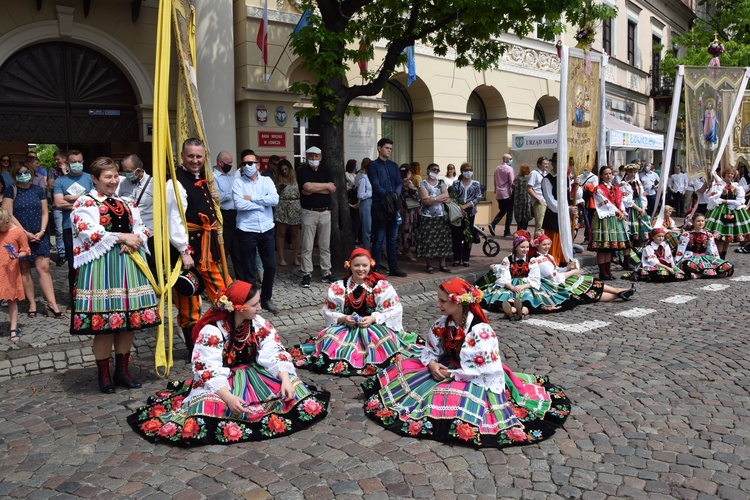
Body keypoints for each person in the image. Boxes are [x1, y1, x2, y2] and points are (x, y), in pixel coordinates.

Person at [361, 278, 571, 448]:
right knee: (405, 368)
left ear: (458, 301)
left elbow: (481, 369)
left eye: (443, 301)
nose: (439, 305)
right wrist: (433, 364)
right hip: (451, 367)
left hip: (476, 375)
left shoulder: (480, 331)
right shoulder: (443, 324)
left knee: (450, 400)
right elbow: (430, 350)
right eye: (439, 300)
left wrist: (452, 374)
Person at [127, 280, 330, 446]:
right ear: (239, 308)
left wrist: (284, 378)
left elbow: (274, 351)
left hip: (253, 374)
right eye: (255, 304)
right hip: (224, 380)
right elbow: (207, 370)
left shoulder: (258, 324)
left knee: (296, 390)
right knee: (207, 410)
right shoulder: (213, 332)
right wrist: (228, 397)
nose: (260, 308)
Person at [70, 156, 161, 393]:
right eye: (107, 177)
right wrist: (123, 237)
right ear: (95, 179)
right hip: (101, 267)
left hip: (128, 264)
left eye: (115, 176)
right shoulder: (85, 203)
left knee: (128, 321)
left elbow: (142, 226)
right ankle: (103, 375)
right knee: (105, 324)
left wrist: (137, 238)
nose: (112, 181)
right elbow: (88, 232)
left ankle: (122, 371)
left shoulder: (127, 203)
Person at [291, 248, 421, 376]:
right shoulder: (339, 287)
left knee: (385, 343)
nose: (361, 269)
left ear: (371, 264)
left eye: (365, 265)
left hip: (373, 328)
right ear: (349, 265)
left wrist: (373, 318)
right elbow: (329, 311)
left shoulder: (380, 286)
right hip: (346, 328)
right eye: (356, 265)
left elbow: (394, 309)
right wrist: (344, 318)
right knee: (329, 338)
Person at [167, 138, 231, 354]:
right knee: (188, 298)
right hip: (188, 251)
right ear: (183, 157)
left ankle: (224, 336)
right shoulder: (175, 182)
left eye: (199, 156)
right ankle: (193, 347)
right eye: (191, 156)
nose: (195, 160)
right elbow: (174, 220)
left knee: (223, 292)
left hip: (208, 249)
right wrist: (184, 252)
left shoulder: (205, 179)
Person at [3, 162, 64, 319]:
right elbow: (8, 215)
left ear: (30, 173)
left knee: (44, 268)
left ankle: (52, 303)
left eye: (25, 172)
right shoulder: (11, 190)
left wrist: (42, 231)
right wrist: (25, 233)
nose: (23, 175)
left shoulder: (38, 190)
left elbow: (45, 212)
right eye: (19, 173)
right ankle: (32, 303)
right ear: (14, 175)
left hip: (40, 234)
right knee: (24, 269)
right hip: (21, 235)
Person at [476, 232, 571, 320]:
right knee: (503, 296)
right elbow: (503, 277)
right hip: (511, 283)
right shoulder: (508, 259)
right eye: (522, 247)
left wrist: (523, 286)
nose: (525, 250)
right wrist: (512, 287)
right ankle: (513, 310)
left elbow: (535, 278)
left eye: (527, 247)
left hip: (527, 284)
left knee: (528, 297)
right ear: (516, 247)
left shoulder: (532, 260)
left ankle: (521, 311)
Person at [232, 149, 280, 314]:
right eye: (244, 163)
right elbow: (239, 205)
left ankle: (266, 298)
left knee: (271, 266)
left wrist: (252, 198)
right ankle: (253, 299)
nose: (247, 166)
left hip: (266, 228)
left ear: (258, 165)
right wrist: (262, 202)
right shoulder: (238, 183)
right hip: (247, 229)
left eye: (250, 163)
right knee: (248, 267)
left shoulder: (266, 181)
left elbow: (274, 200)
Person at [534, 234, 635, 304]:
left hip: (562, 280)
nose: (547, 247)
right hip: (556, 286)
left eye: (548, 244)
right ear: (537, 247)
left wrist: (567, 268)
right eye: (544, 245)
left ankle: (619, 291)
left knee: (591, 283)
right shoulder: (539, 261)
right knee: (589, 292)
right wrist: (572, 272)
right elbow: (554, 278)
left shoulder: (549, 257)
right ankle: (619, 293)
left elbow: (556, 270)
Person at [54, 149, 94, 302]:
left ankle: (91, 296)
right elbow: (58, 203)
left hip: (89, 227)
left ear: (83, 162)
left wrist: (72, 198)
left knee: (90, 262)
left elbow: (95, 201)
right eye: (73, 162)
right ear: (67, 163)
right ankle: (74, 298)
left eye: (79, 161)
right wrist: (84, 201)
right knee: (73, 265)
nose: (77, 164)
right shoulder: (60, 181)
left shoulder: (90, 178)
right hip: (69, 228)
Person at [297, 146, 337, 287]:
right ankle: (306, 274)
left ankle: (326, 272)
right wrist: (324, 187)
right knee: (307, 245)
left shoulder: (326, 171)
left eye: (316, 156)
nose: (314, 159)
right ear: (307, 158)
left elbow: (332, 189)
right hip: (309, 212)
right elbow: (307, 188)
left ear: (320, 157)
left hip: (325, 212)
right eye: (311, 156)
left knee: (325, 245)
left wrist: (315, 188)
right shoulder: (302, 171)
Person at [369, 139, 408, 277]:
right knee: (379, 238)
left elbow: (399, 182)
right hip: (380, 206)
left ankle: (393, 267)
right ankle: (375, 268)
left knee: (392, 238)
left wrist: (395, 196)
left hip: (393, 206)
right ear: (379, 148)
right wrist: (388, 196)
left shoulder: (394, 165)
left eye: (391, 148)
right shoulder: (373, 166)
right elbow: (375, 184)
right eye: (386, 148)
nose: (389, 150)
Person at [588, 166, 630, 280]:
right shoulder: (599, 189)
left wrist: (622, 211)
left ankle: (608, 270)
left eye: (610, 173)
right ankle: (602, 271)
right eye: (605, 174)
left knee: (610, 247)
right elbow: (606, 203)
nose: (608, 176)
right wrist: (617, 211)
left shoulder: (615, 188)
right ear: (601, 176)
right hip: (604, 218)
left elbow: (620, 201)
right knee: (603, 246)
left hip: (614, 218)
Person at [704, 167, 750, 258]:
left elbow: (741, 198)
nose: (730, 175)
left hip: (733, 211)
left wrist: (736, 203)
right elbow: (713, 199)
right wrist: (728, 201)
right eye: (728, 173)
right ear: (724, 174)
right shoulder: (718, 185)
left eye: (732, 174)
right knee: (720, 236)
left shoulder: (736, 185)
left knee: (728, 235)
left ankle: (723, 256)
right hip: (720, 210)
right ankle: (718, 257)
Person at [213, 151, 245, 280]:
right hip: (223, 215)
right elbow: (217, 197)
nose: (231, 165)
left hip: (235, 215)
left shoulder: (231, 177)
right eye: (229, 163)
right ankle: (221, 280)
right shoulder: (213, 177)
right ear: (220, 163)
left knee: (237, 250)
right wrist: (231, 193)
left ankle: (241, 280)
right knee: (223, 249)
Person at [0, 208, 30, 341]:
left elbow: (25, 250)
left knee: (12, 299)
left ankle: (13, 328)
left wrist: (17, 255)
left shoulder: (18, 232)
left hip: (10, 270)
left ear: (7, 222)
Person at [540, 157, 577, 266]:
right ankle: (553, 264)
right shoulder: (547, 180)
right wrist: (567, 209)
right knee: (554, 242)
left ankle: (564, 261)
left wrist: (576, 187)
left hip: (566, 216)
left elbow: (571, 196)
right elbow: (551, 201)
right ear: (554, 164)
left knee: (565, 240)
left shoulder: (567, 179)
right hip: (554, 216)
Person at [417, 163, 453, 274]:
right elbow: (426, 201)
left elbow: (447, 197)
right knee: (428, 240)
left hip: (441, 215)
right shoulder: (422, 183)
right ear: (428, 170)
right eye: (433, 169)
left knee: (442, 240)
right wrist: (440, 198)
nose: (436, 171)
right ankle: (429, 265)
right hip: (427, 216)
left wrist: (434, 198)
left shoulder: (442, 182)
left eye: (438, 170)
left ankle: (442, 265)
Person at [675, 213, 733, 278]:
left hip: (705, 258)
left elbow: (713, 249)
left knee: (727, 265)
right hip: (691, 258)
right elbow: (680, 250)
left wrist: (717, 261)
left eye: (702, 221)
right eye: (698, 221)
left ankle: (699, 275)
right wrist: (677, 262)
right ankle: (714, 275)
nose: (701, 223)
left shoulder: (708, 235)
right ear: (693, 222)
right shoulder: (686, 235)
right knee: (687, 264)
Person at [449, 162, 482, 267]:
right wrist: (459, 208)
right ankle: (457, 258)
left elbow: (478, 197)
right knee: (456, 235)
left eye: (470, 170)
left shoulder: (476, 184)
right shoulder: (456, 183)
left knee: (468, 235)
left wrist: (467, 205)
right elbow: (452, 197)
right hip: (457, 213)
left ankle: (466, 258)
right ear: (462, 171)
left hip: (470, 212)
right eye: (466, 170)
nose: (468, 172)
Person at [619, 164, 649, 270]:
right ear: (627, 172)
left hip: (639, 209)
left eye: (634, 172)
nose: (632, 174)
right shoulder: (624, 184)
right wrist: (639, 209)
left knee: (640, 237)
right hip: (631, 210)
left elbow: (643, 197)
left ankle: (638, 259)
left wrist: (643, 209)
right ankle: (626, 261)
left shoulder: (638, 183)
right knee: (629, 236)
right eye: (630, 172)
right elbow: (627, 201)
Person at [273, 159, 301, 267]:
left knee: (295, 233)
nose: (284, 171)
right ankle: (281, 258)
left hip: (295, 205)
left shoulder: (296, 177)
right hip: (282, 205)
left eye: (286, 169)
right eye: (282, 170)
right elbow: (273, 194)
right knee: (281, 233)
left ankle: (295, 258)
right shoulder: (277, 179)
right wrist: (278, 188)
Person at [48, 150, 69, 266]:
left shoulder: (71, 170)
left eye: (58, 159)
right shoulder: (52, 171)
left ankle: (70, 251)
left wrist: (64, 172)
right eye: (55, 159)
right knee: (59, 230)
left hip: (70, 204)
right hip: (57, 204)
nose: (56, 161)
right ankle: (61, 254)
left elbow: (71, 185)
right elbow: (51, 185)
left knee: (70, 230)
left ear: (64, 158)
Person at [489, 153, 515, 237]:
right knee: (509, 212)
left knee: (503, 210)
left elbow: (495, 181)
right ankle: (507, 231)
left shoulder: (497, 168)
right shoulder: (509, 169)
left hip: (499, 194)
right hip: (507, 193)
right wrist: (513, 191)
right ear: (506, 160)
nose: (511, 160)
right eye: (510, 159)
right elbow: (511, 182)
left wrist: (496, 190)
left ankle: (493, 224)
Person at [398, 163, 419, 262]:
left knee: (402, 230)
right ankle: (407, 250)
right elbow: (416, 195)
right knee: (408, 230)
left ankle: (402, 249)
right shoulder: (407, 182)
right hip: (409, 209)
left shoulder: (398, 181)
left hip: (401, 208)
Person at [527, 156, 549, 236]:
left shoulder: (545, 174)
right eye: (545, 164)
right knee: (539, 226)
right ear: (539, 165)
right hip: (539, 202)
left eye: (547, 164)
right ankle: (537, 243)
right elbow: (529, 188)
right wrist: (538, 199)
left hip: (547, 202)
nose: (547, 165)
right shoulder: (534, 173)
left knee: (545, 225)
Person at [356, 158, 373, 251]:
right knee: (367, 228)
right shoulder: (363, 179)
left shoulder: (371, 178)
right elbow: (360, 195)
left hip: (372, 202)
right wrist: (370, 193)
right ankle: (367, 249)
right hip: (366, 202)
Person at [512, 163, 532, 231]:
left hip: (518, 200)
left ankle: (519, 231)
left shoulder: (517, 178)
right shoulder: (529, 178)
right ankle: (524, 231)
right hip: (527, 200)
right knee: (526, 216)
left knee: (519, 216)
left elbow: (513, 187)